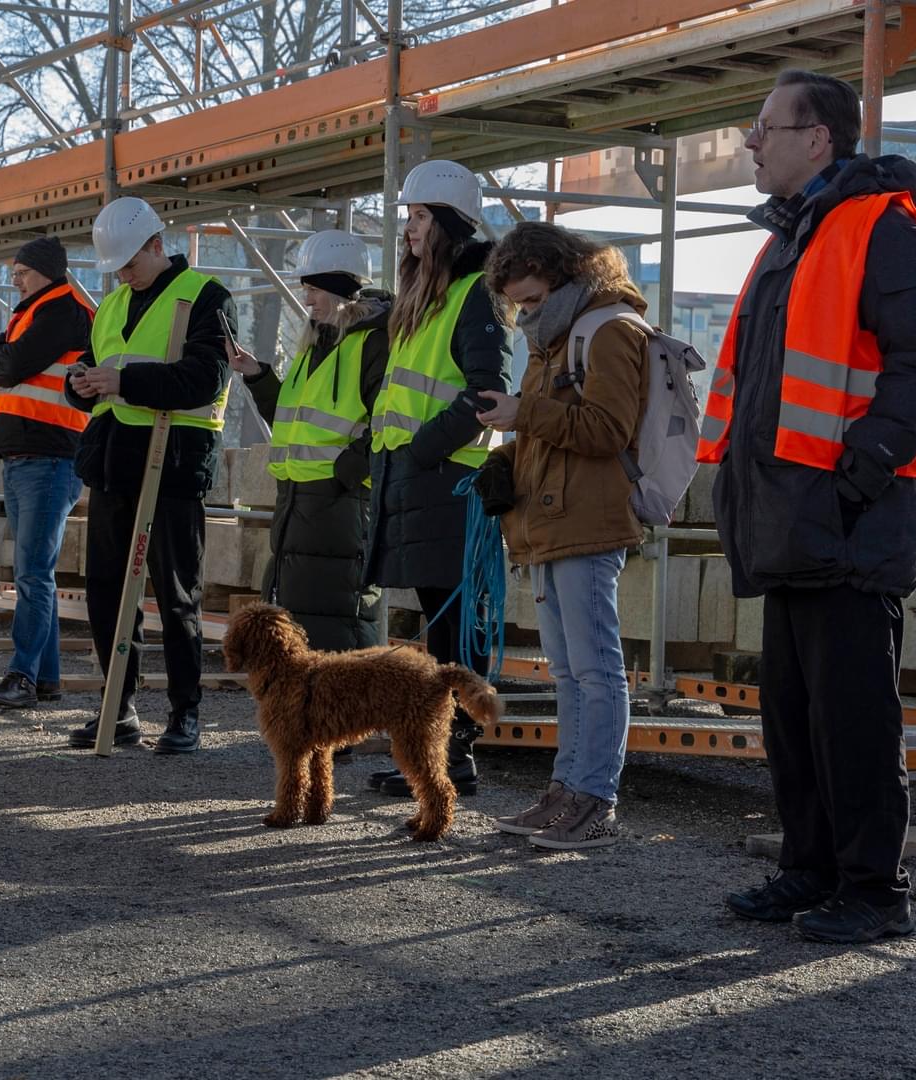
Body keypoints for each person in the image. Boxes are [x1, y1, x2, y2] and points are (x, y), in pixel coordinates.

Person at [702, 70, 916, 943]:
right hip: (796, 520)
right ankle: (809, 870)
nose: (750, 141)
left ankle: (873, 892)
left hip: (849, 522)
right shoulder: (797, 236)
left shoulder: (881, 227)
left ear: (818, 138)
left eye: (765, 127)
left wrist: (860, 474)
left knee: (852, 721)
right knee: (796, 717)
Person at [477, 222, 647, 851]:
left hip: (587, 523)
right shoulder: (561, 335)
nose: (523, 313)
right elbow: (563, 431)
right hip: (551, 521)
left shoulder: (610, 330)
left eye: (530, 299)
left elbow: (607, 430)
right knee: (572, 672)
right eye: (517, 303)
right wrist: (509, 456)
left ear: (563, 276)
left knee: (596, 671)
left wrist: (525, 415)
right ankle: (566, 790)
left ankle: (593, 799)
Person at [63, 196, 236, 754]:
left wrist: (124, 382)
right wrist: (81, 382)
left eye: (130, 263)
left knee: (175, 590)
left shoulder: (206, 298)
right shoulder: (112, 305)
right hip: (114, 461)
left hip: (174, 462)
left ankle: (186, 712)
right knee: (108, 590)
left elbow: (203, 379)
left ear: (158, 245)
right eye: (116, 267)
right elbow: (96, 367)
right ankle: (119, 704)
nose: (123, 274)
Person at [364, 159, 511, 799]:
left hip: (446, 482)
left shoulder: (474, 292)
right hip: (417, 482)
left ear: (448, 224)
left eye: (419, 218)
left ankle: (455, 758)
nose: (409, 231)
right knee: (439, 622)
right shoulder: (430, 298)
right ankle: (442, 757)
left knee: (453, 626)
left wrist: (421, 451)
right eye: (408, 219)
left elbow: (487, 392)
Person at [227, 229, 388, 663]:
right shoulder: (317, 343)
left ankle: (349, 723)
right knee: (301, 629)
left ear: (339, 289)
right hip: (299, 506)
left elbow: (389, 424)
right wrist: (258, 376)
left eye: (314, 289)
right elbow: (294, 418)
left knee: (339, 629)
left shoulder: (373, 344)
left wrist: (343, 473)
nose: (308, 299)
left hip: (341, 507)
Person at [0, 237, 94, 709]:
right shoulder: (36, 310)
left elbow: (9, 365)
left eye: (21, 271)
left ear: (44, 271)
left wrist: (2, 357)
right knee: (32, 573)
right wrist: (0, 356)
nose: (14, 279)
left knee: (33, 574)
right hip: (27, 457)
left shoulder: (62, 311)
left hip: (48, 458)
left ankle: (22, 676)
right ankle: (46, 679)